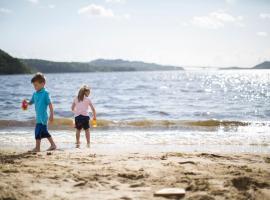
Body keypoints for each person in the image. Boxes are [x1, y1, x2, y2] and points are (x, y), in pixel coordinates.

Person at [27, 72, 57, 152]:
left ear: (43, 83)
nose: (35, 87)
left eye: (36, 85)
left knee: (38, 131)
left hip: (43, 117)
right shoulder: (35, 94)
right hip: (38, 117)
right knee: (44, 132)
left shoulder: (45, 93)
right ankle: (53, 145)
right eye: (34, 85)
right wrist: (27, 103)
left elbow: (50, 104)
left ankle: (38, 148)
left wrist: (52, 115)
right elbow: (31, 102)